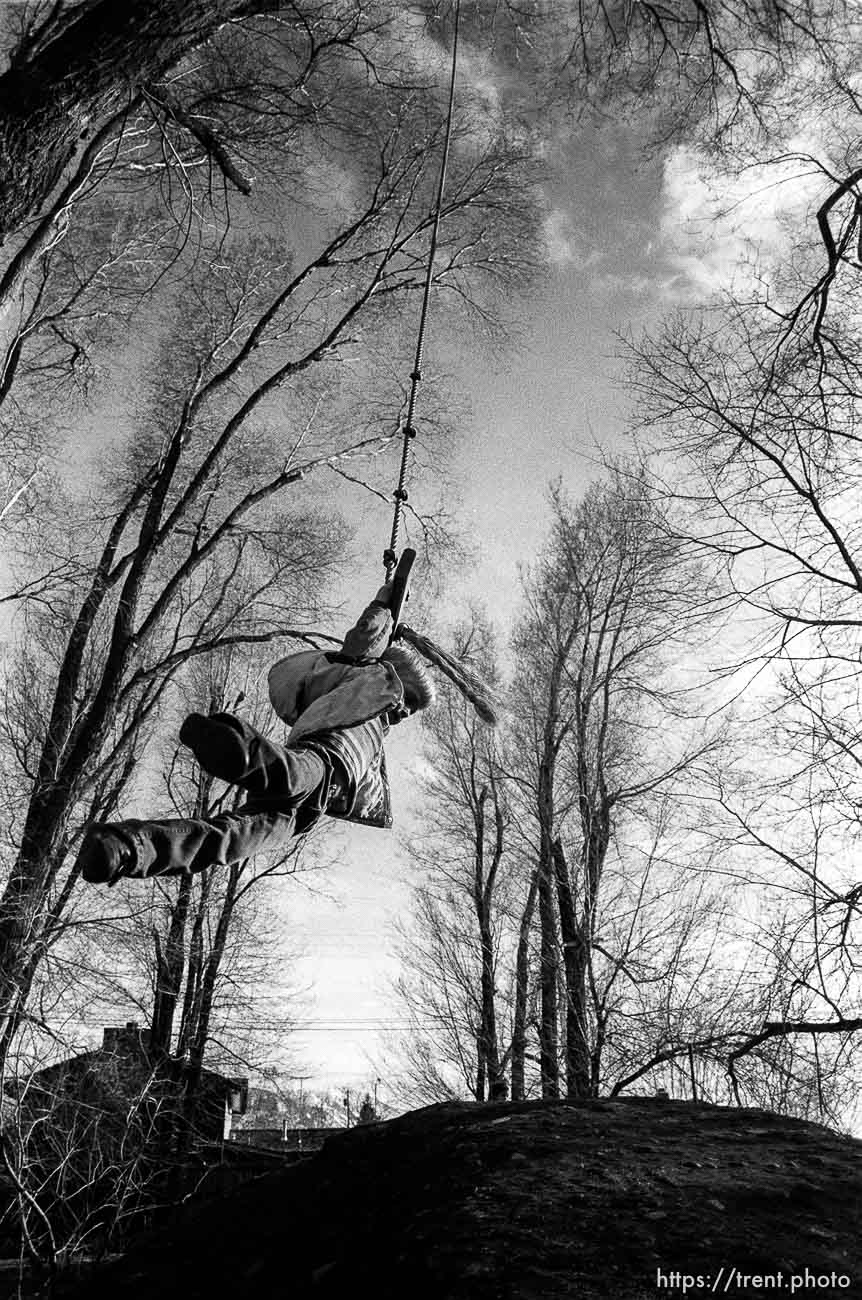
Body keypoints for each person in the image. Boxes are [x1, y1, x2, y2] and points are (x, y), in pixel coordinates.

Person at [76, 582, 434, 887]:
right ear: (391, 671)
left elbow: (368, 793)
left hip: (306, 813)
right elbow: (365, 640)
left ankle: (126, 848)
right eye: (410, 701)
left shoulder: (379, 730)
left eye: (411, 711)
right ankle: (230, 746)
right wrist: (383, 605)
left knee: (229, 842)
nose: (404, 712)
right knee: (286, 774)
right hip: (320, 762)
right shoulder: (369, 677)